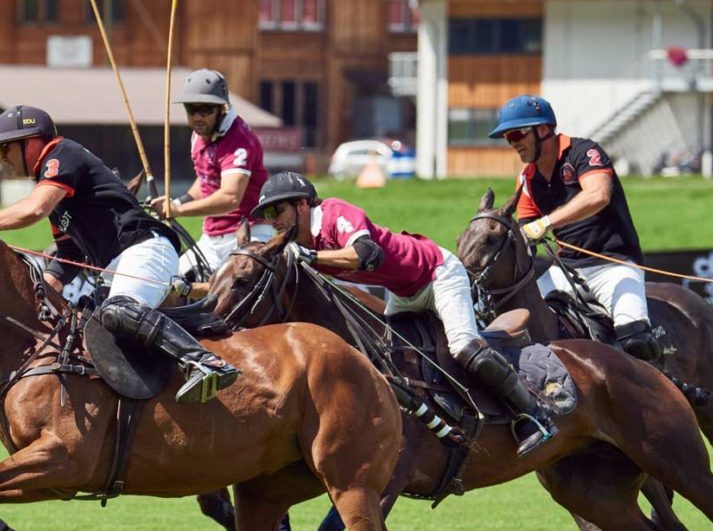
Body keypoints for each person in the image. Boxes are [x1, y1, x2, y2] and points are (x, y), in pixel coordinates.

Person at [250, 171, 557, 457]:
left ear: (303, 205)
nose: (272, 220)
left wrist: (311, 256)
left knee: (463, 346)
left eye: (277, 211)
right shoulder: (300, 244)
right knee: (388, 359)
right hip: (405, 292)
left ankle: (532, 414)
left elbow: (368, 254)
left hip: (438, 273)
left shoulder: (333, 212)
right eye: (266, 215)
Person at [0, 104, 239, 404]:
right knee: (86, 325)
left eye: (6, 149)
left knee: (119, 310)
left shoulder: (60, 154)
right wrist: (44, 292)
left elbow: (34, 209)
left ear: (31, 141)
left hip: (144, 248)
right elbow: (68, 251)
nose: (5, 160)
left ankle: (206, 362)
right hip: (120, 263)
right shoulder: (55, 188)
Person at [488, 94, 661, 363]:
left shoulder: (583, 153)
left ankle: (659, 397)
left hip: (613, 265)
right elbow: (526, 229)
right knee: (522, 325)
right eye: (508, 138)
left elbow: (598, 195)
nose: (513, 144)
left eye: (517, 135)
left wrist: (545, 223)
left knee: (636, 339)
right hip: (565, 269)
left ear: (543, 130)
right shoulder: (526, 179)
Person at [149, 68, 274, 278]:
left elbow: (230, 197)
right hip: (211, 239)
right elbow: (206, 179)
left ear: (221, 108)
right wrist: (177, 202)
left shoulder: (239, 141)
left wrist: (178, 211)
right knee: (168, 283)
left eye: (205, 110)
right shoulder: (199, 136)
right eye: (191, 109)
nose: (197, 117)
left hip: (248, 236)